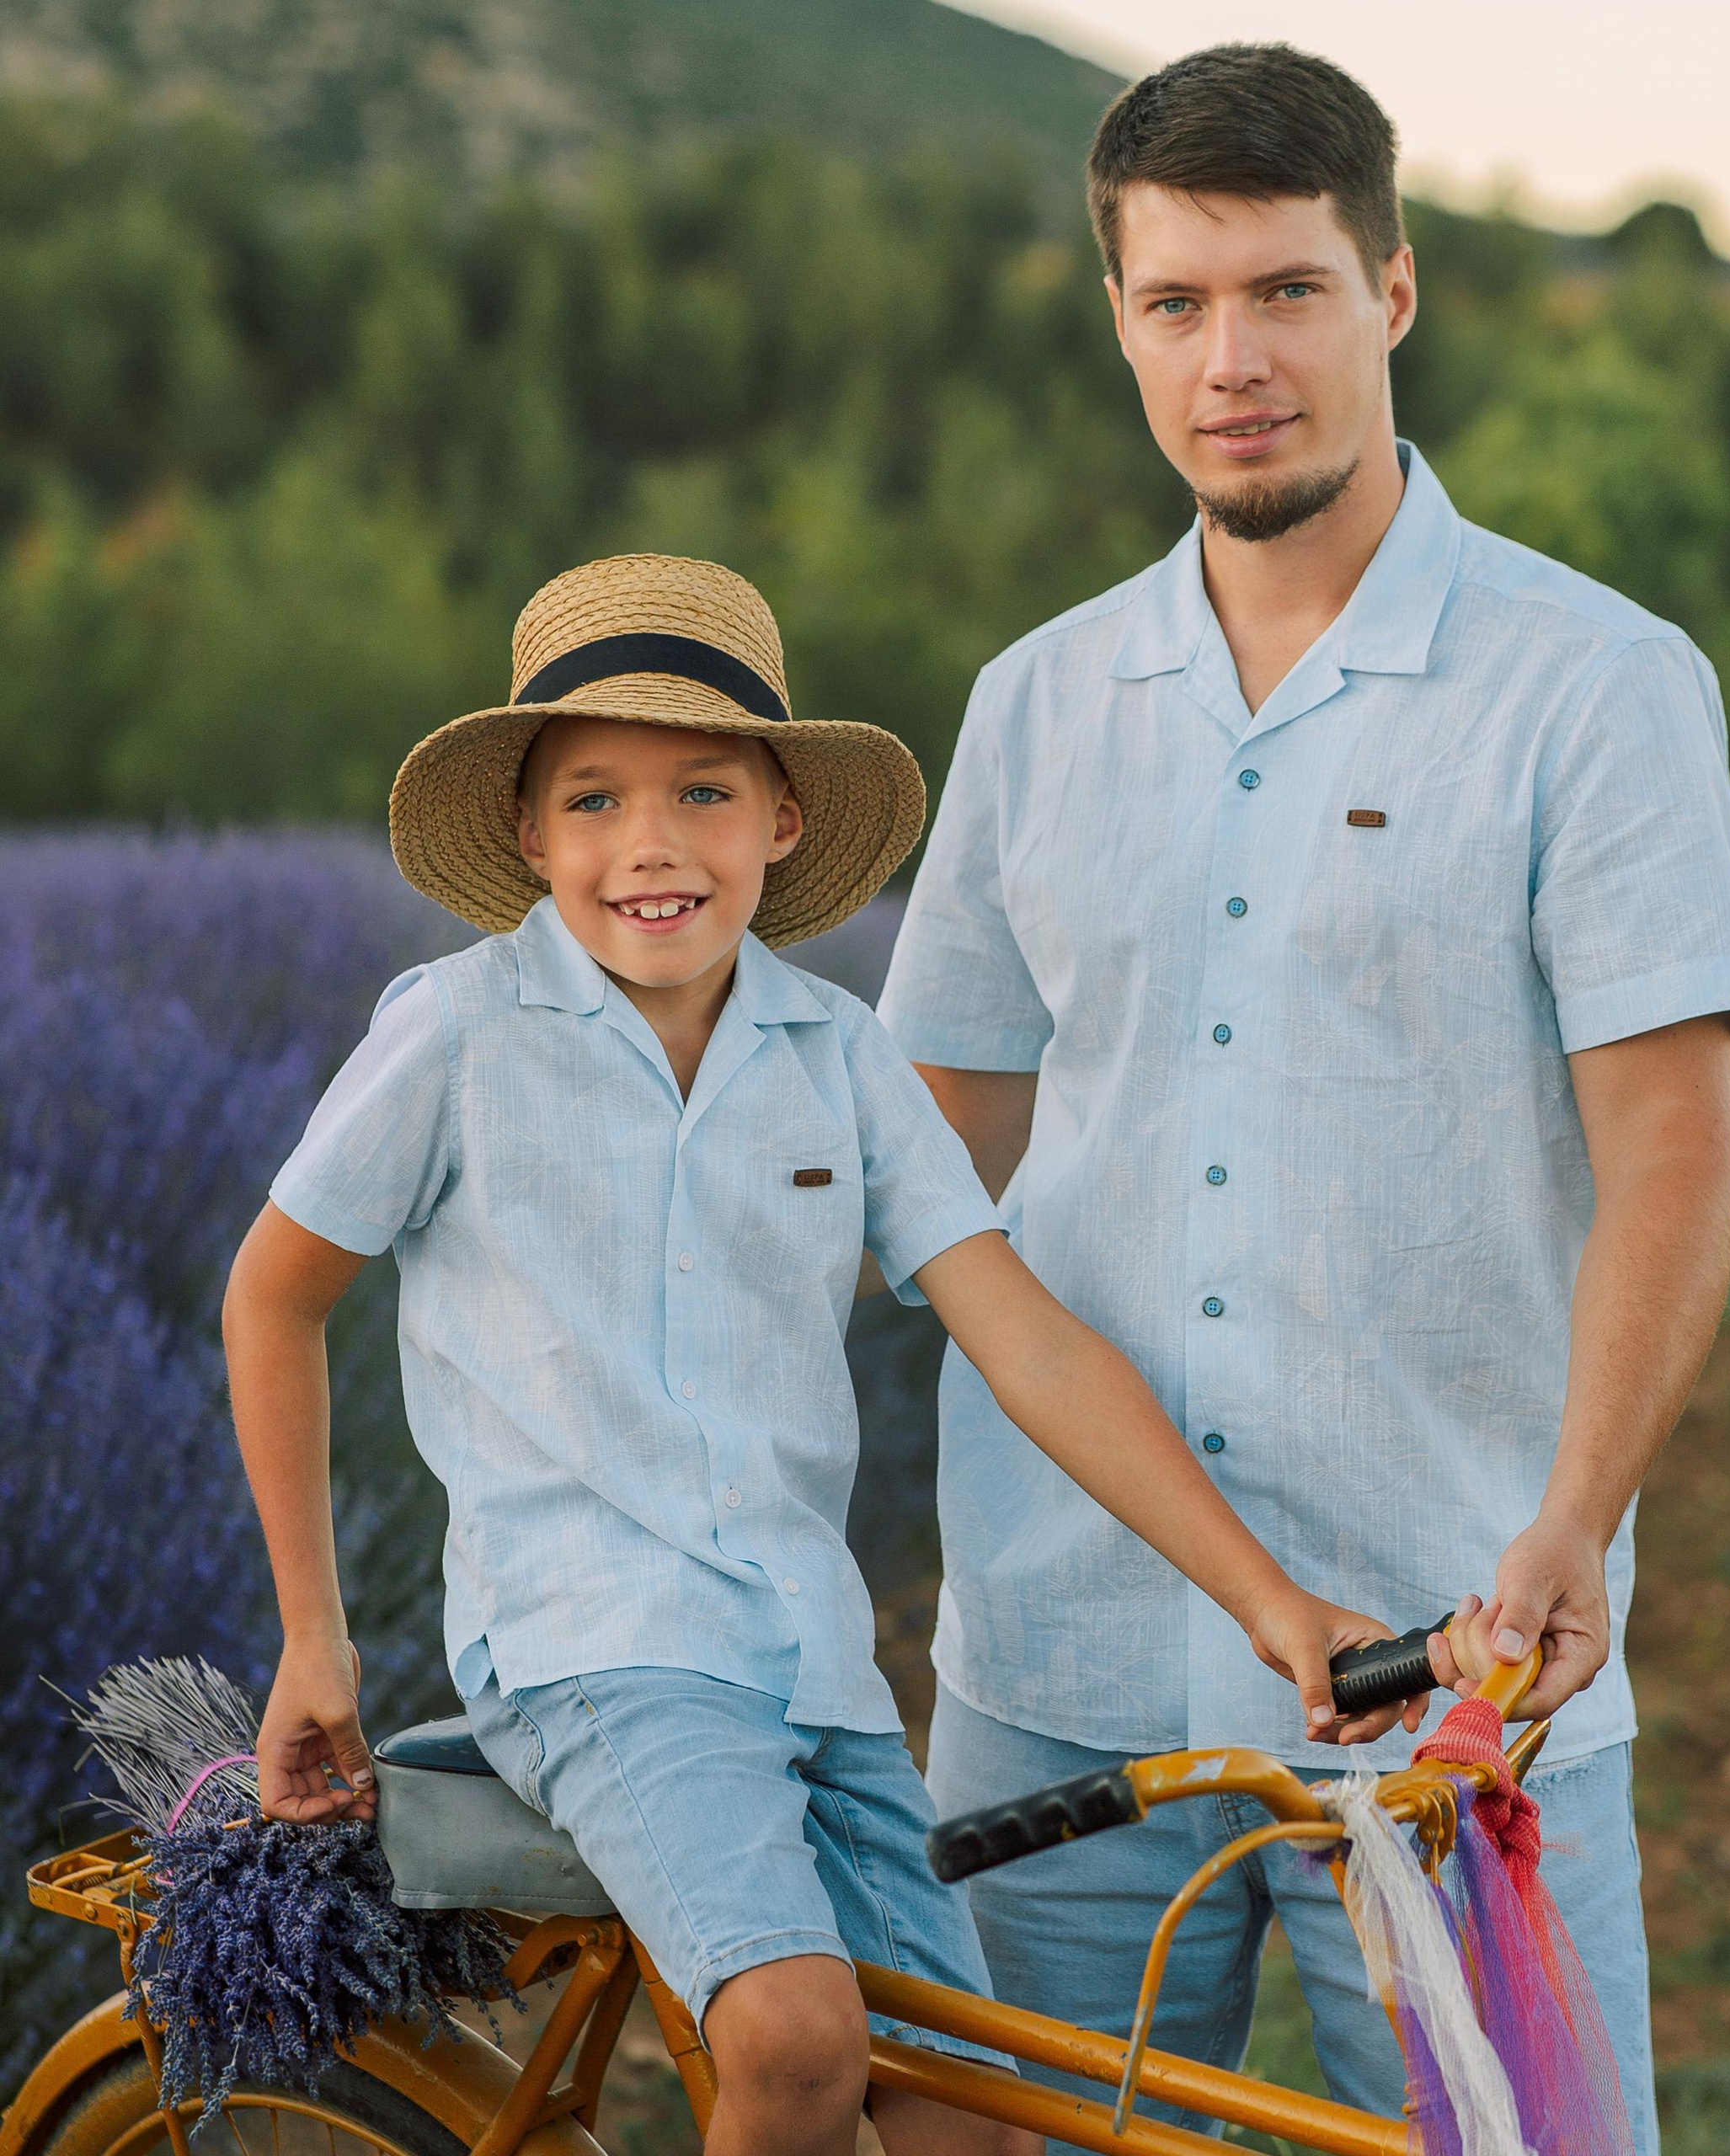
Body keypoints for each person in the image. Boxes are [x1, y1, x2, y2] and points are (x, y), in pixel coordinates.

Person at [876, 44, 1730, 2154]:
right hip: (1056, 1660)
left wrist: (1575, 1518)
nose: (1229, 360)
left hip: (1455, 1670)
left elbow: (1669, 1143)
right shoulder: (1035, 701)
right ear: (1117, 321)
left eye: (1282, 290)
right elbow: (931, 1154)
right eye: (1175, 303)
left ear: (1390, 288)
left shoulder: (1594, 686)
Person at [220, 552, 1401, 2156]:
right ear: (527, 833)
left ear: (780, 820)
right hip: (597, 1647)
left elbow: (1028, 1340)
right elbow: (273, 1294)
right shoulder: (458, 1034)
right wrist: (317, 1639)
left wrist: (1271, 1602)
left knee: (963, 2108)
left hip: (810, 1663)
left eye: (704, 791)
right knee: (792, 2034)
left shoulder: (834, 1053)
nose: (651, 845)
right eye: (593, 800)